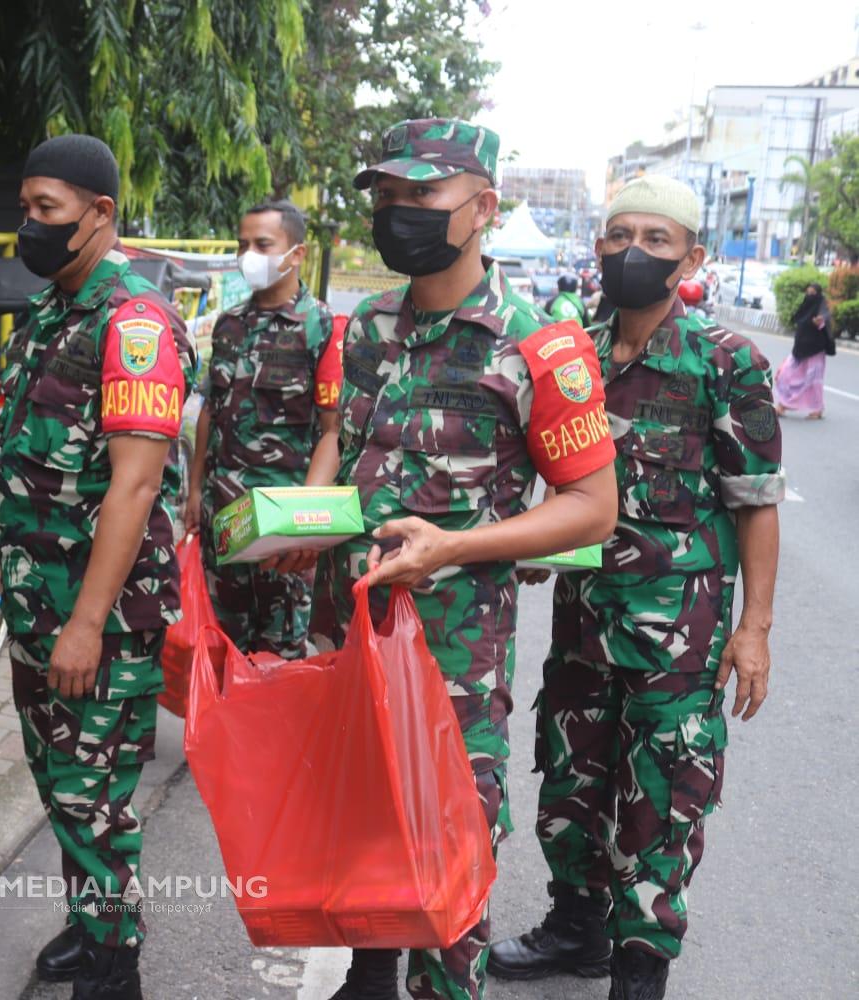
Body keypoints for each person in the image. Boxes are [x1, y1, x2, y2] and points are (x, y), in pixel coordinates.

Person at [287, 118, 619, 1000]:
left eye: (421, 196)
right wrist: (302, 528)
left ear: (483, 210)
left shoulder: (539, 342)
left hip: (452, 658)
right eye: (386, 197)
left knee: (447, 844)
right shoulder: (366, 326)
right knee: (357, 817)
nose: (398, 214)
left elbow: (593, 508)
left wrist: (459, 545)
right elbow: (356, 455)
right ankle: (366, 974)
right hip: (352, 630)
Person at [489, 175, 784, 1000]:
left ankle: (639, 966)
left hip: (676, 640)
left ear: (692, 257)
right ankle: (575, 929)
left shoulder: (725, 362)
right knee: (572, 777)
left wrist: (753, 628)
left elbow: (756, 506)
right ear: (597, 246)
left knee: (660, 796)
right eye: (620, 235)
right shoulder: (572, 354)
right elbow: (561, 484)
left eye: (657, 240)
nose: (634, 252)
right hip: (582, 624)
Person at [0, 134, 195, 1000]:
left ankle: (115, 964)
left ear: (100, 214)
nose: (29, 226)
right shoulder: (53, 314)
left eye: (45, 211)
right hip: (32, 598)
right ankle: (86, 923)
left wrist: (89, 624)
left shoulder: (135, 323)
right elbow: (13, 461)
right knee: (59, 779)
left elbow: (134, 486)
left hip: (103, 615)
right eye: (24, 210)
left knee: (95, 792)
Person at [184, 198, 338, 657]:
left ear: (297, 253)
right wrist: (194, 492)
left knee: (278, 661)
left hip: (281, 529)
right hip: (224, 518)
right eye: (243, 244)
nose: (248, 254)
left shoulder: (323, 328)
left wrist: (305, 525)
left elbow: (334, 429)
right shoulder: (229, 325)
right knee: (221, 653)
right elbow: (210, 410)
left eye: (262, 244)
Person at [772, 282, 833, 419]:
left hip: (815, 351)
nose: (810, 296)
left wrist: (820, 321)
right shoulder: (804, 308)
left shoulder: (822, 307)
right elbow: (797, 320)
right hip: (799, 350)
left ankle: (816, 410)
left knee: (813, 381)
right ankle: (783, 404)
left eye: (813, 294)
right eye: (808, 293)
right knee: (785, 375)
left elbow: (825, 320)